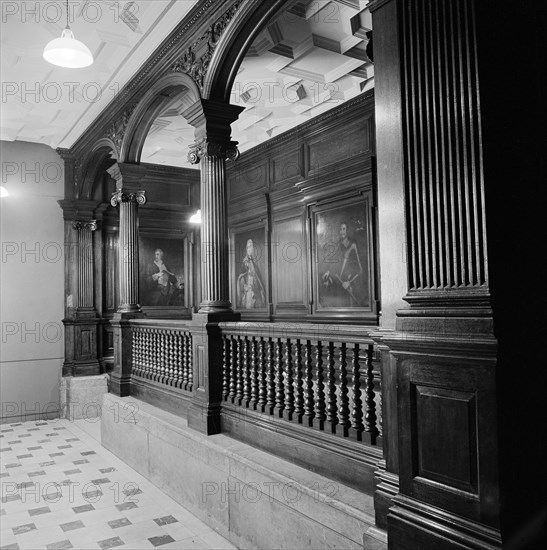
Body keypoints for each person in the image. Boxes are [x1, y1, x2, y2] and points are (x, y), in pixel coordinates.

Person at [321, 222, 364, 307]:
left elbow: (360, 270)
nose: (342, 231)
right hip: (339, 285)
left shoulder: (353, 246)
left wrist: (349, 282)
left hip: (348, 287)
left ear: (347, 230)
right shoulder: (338, 246)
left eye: (344, 229)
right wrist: (329, 271)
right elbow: (336, 264)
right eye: (340, 229)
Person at [237, 239, 266, 309]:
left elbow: (258, 277)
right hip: (249, 291)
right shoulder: (245, 261)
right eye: (249, 246)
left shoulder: (254, 262)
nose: (251, 248)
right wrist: (244, 285)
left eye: (252, 246)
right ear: (247, 249)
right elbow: (241, 276)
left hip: (256, 289)